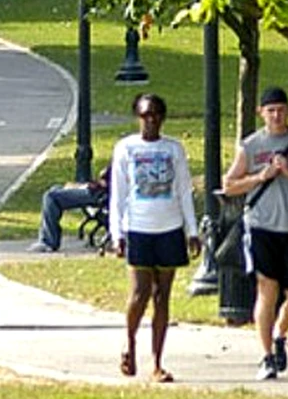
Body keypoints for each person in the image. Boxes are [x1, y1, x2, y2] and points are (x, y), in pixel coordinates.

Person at [222, 86, 288, 381]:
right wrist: (260, 176)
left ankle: (280, 334)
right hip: (260, 227)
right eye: (271, 111)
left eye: (281, 109)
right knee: (266, 289)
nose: (276, 115)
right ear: (261, 113)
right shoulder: (251, 145)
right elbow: (229, 184)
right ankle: (267, 355)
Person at [109, 93, 201, 384]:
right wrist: (117, 233)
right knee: (140, 292)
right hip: (138, 227)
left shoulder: (174, 149)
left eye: (157, 115)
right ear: (137, 116)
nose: (151, 120)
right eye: (146, 115)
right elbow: (118, 194)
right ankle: (129, 341)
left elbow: (185, 190)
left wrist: (192, 230)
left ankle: (158, 362)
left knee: (162, 296)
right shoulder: (126, 148)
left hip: (170, 227)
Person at [27, 164, 110, 253]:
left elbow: (106, 184)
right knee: (55, 189)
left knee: (50, 197)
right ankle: (49, 237)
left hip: (99, 195)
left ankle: (48, 242)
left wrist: (83, 186)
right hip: (98, 191)